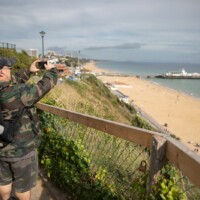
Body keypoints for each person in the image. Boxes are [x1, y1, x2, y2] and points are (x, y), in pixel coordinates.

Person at [0, 57, 58, 200]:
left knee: (3, 181)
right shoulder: (18, 93)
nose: (11, 71)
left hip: (1, 147)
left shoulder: (10, 90)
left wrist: (29, 71)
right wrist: (52, 71)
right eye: (9, 68)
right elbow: (43, 87)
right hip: (21, 149)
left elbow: (10, 82)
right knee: (22, 188)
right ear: (2, 72)